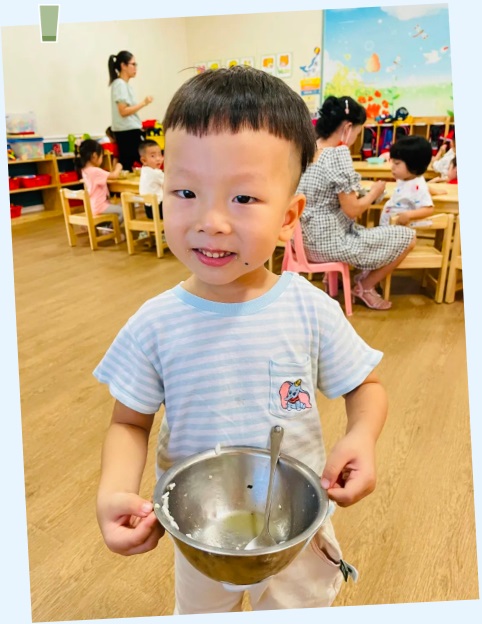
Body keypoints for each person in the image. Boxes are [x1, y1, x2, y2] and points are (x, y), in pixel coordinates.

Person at [94, 66, 388, 615]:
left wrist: (361, 436)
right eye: (186, 191)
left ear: (289, 217)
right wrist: (114, 490)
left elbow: (365, 386)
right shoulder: (154, 323)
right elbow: (128, 423)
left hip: (298, 534)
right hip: (201, 534)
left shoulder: (309, 310)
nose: (211, 221)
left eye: (245, 198)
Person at [297, 95, 416, 311]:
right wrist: (375, 193)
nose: (356, 139)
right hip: (329, 244)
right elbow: (352, 210)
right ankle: (365, 287)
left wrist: (366, 194)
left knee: (366, 231)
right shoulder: (337, 154)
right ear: (348, 128)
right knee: (408, 236)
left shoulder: (307, 149)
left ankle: (351, 278)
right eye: (358, 133)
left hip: (302, 242)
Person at [108, 50, 153, 172]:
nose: (135, 68)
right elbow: (123, 111)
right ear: (123, 65)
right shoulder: (120, 84)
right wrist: (144, 103)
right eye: (133, 64)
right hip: (127, 130)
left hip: (130, 129)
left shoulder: (125, 85)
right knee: (131, 161)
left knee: (128, 162)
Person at [379, 136, 434, 227]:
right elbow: (425, 188)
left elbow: (429, 209)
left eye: (397, 163)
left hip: (400, 230)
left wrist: (408, 215)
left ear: (413, 165)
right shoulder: (404, 178)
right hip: (388, 227)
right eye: (392, 162)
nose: (392, 167)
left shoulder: (419, 186)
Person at [78, 139, 124, 228]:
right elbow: (114, 175)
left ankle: (103, 227)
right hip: (101, 207)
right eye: (102, 156)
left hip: (93, 206)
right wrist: (118, 167)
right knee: (123, 210)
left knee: (121, 205)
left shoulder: (85, 170)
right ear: (94, 156)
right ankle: (110, 229)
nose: (102, 159)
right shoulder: (95, 171)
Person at [138, 139, 164, 220]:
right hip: (158, 209)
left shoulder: (144, 170)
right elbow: (172, 184)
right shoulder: (155, 173)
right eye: (153, 156)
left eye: (160, 155)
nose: (158, 159)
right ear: (144, 160)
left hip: (149, 209)